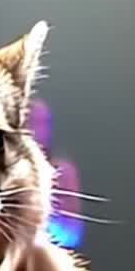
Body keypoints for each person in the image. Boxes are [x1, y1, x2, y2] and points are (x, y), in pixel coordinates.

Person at [27, 98, 87, 249]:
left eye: (45, 122)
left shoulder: (63, 171)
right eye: (34, 121)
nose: (40, 128)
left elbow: (73, 233)